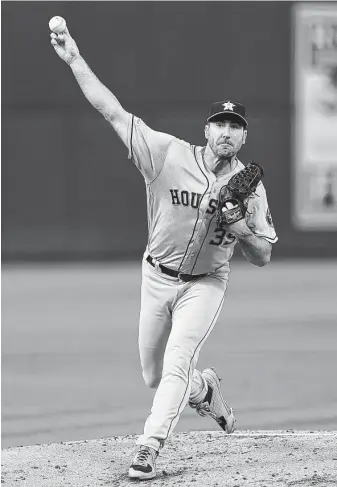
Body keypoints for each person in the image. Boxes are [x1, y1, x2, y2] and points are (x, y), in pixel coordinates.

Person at [50, 24, 278, 481]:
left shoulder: (252, 192)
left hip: (206, 285)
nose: (228, 132)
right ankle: (205, 389)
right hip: (156, 277)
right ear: (207, 129)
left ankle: (148, 447)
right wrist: (75, 59)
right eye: (221, 124)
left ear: (244, 137)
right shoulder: (166, 154)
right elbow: (113, 112)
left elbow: (262, 255)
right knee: (155, 376)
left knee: (177, 360)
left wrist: (241, 228)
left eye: (237, 126)